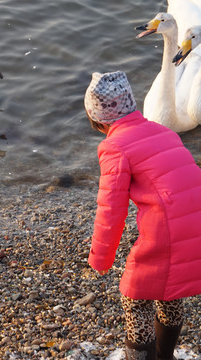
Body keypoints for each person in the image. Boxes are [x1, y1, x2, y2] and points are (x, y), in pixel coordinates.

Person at [84, 71, 201, 360]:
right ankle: (165, 356)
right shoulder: (164, 131)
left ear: (96, 117)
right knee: (170, 291)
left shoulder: (115, 147)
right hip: (195, 226)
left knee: (135, 297)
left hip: (168, 234)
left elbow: (111, 209)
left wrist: (101, 257)